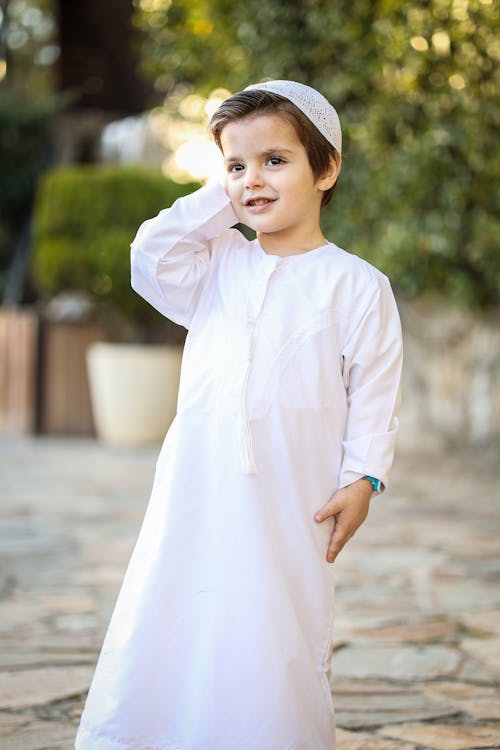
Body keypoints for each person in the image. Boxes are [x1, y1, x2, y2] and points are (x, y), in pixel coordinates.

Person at [75, 80, 403, 750]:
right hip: (199, 484)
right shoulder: (217, 265)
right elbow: (150, 255)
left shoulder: (358, 285)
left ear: (327, 167)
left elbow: (375, 391)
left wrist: (364, 479)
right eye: (236, 165)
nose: (253, 180)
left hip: (294, 492)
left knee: (277, 621)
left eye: (275, 161)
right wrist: (218, 197)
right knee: (178, 604)